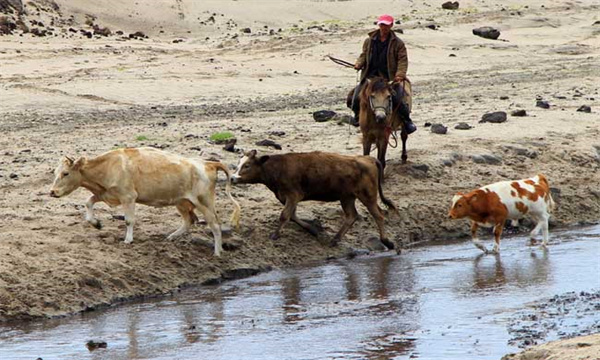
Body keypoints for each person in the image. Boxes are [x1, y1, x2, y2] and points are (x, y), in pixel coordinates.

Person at [348, 14, 417, 134]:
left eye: (386, 25)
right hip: (370, 78)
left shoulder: (398, 43)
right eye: (381, 25)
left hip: (388, 79)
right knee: (353, 99)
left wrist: (400, 74)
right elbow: (364, 55)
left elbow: (402, 60)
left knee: (399, 98)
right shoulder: (369, 41)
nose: (383, 27)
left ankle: (407, 122)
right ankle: (358, 117)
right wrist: (359, 63)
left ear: (391, 25)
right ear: (378, 25)